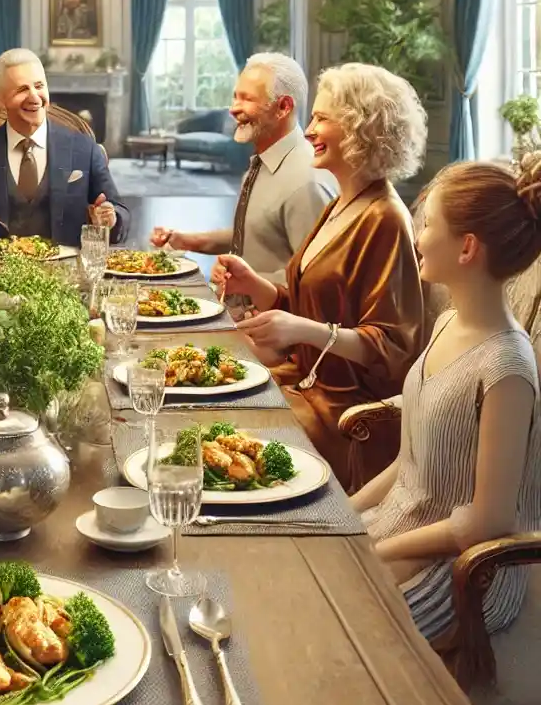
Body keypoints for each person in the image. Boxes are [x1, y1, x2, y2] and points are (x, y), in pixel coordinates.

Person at [353, 158, 541, 647]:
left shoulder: (507, 368)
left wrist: (382, 552)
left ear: (468, 248)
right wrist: (344, 515)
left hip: (464, 570)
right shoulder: (446, 324)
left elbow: (488, 522)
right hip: (403, 527)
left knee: (335, 631)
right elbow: (411, 464)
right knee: (302, 579)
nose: (417, 235)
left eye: (428, 223)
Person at [214, 63, 427, 492]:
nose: (308, 130)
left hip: (342, 414)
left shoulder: (384, 218)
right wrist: (256, 285)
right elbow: (314, 303)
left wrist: (303, 331)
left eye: (322, 118)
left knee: (214, 435)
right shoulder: (343, 204)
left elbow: (395, 348)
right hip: (303, 382)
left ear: (362, 129)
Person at [151, 52, 336, 282]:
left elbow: (318, 279)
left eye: (247, 99)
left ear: (283, 107)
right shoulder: (263, 162)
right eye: (235, 97)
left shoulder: (307, 183)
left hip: (264, 316)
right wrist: (187, 240)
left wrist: (246, 281)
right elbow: (255, 233)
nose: (233, 109)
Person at [0, 48, 129, 247]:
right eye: (22, 90)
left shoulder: (85, 148)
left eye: (39, 86)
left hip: (66, 273)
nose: (34, 97)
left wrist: (110, 218)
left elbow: (121, 215)